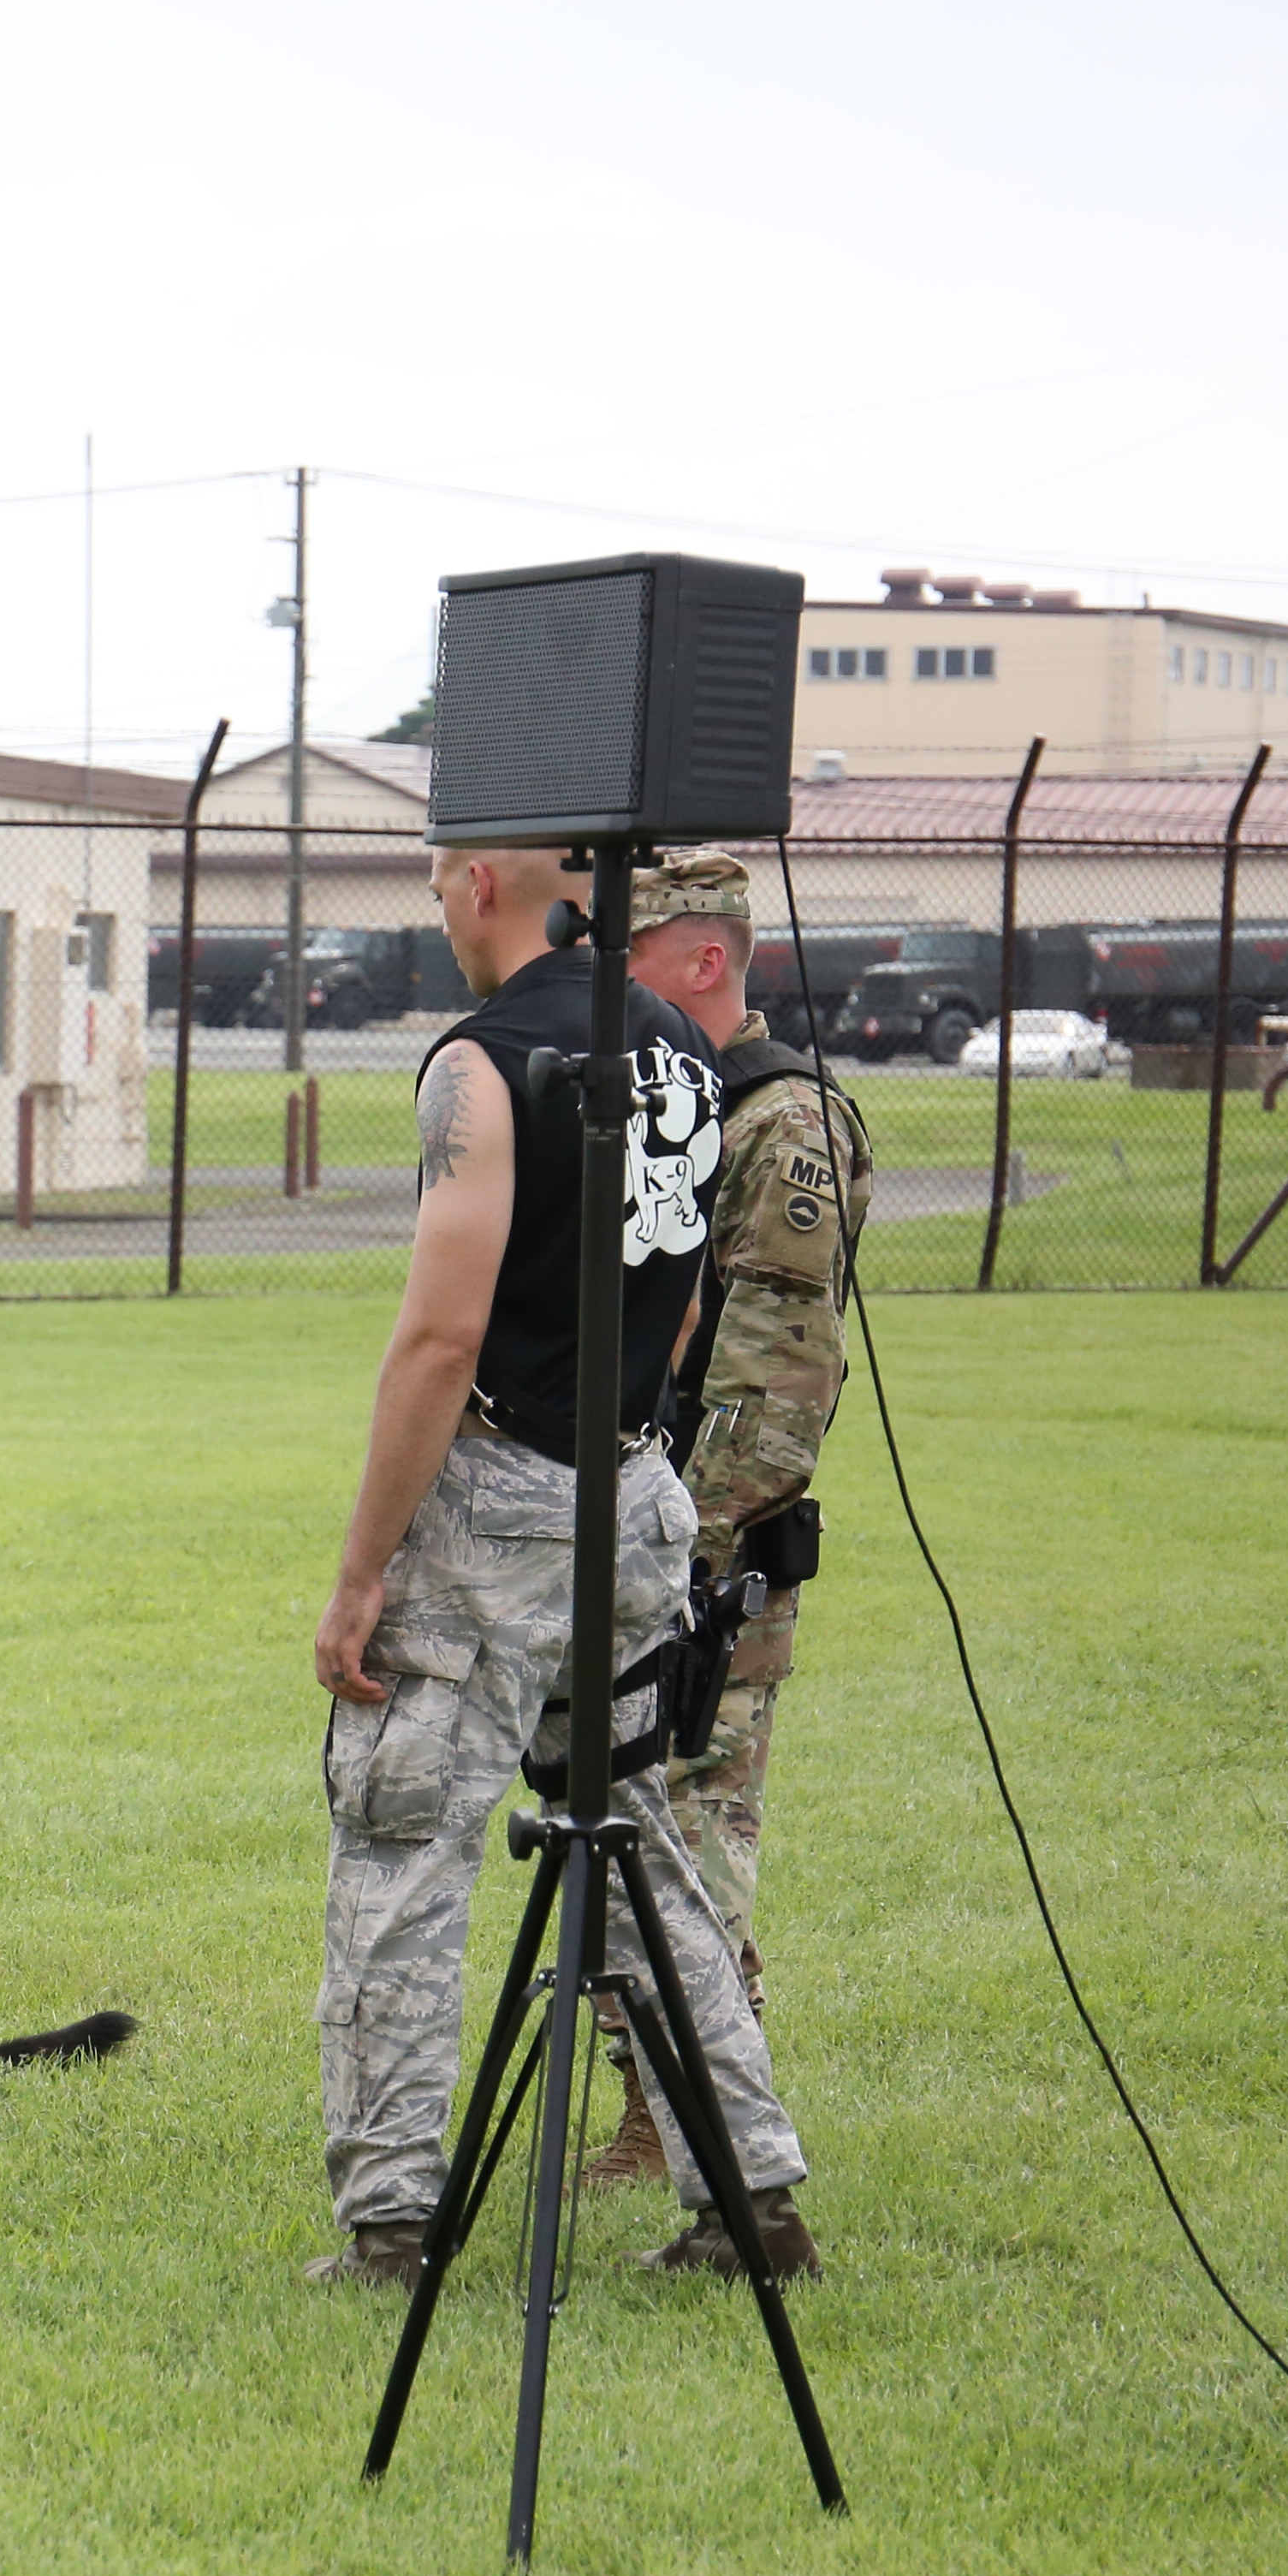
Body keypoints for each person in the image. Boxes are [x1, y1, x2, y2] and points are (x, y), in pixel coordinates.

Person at [303, 840, 814, 2286]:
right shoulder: (676, 1049)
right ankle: (754, 2201)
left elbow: (440, 1338)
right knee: (641, 1852)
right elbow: (691, 1282)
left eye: (434, 892)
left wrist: (362, 1576)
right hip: (636, 1494)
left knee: (401, 1850)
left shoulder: (478, 1066)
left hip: (498, 1506)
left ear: (477, 883)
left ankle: (394, 2229)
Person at [579, 851, 876, 2252]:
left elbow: (775, 1384)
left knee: (687, 1843)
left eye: (625, 967)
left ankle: (704, 2150)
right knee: (625, 1825)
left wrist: (671, 1551)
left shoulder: (781, 1126)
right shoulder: (669, 1107)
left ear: (703, 962)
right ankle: (656, 2121)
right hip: (639, 1534)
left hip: (710, 1562)